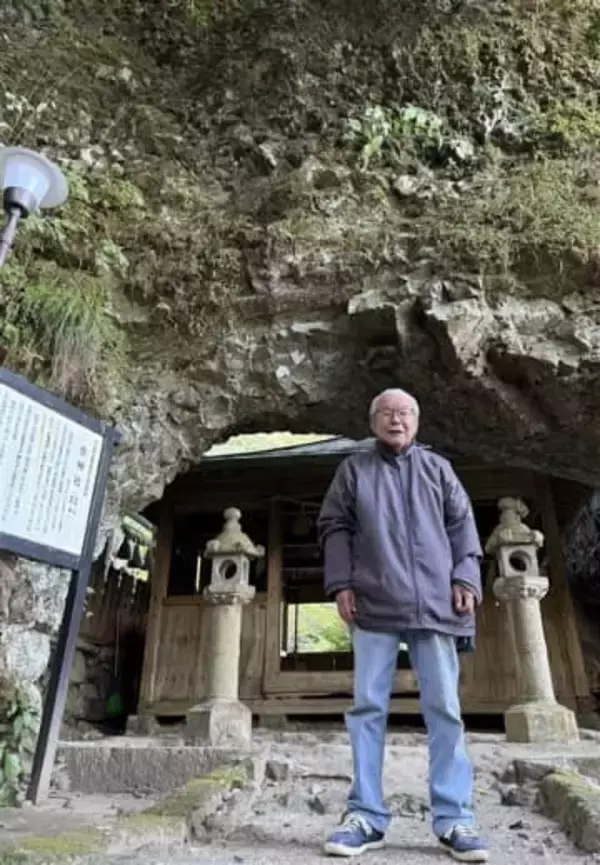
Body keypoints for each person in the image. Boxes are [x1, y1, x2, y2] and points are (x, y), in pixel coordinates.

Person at [317, 388, 488, 863]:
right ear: (373, 422)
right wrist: (341, 584)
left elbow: (463, 526)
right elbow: (334, 527)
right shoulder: (353, 470)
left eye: (406, 412)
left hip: (437, 604)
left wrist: (465, 575)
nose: (397, 420)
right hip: (373, 602)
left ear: (417, 421)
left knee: (445, 709)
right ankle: (366, 815)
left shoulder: (439, 470)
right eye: (388, 413)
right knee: (367, 708)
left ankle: (455, 819)